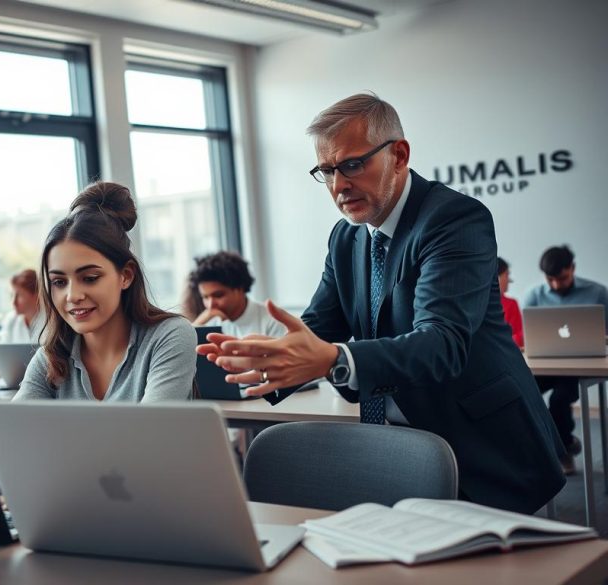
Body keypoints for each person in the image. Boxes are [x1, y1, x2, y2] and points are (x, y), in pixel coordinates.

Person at [197, 93, 563, 514]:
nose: (338, 185)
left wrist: (334, 359)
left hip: (483, 446)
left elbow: (441, 342)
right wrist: (262, 356)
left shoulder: (454, 219)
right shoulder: (346, 237)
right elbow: (319, 326)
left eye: (352, 165)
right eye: (327, 171)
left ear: (399, 155)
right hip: (401, 445)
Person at [14, 181, 196, 402]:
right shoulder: (51, 356)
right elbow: (14, 431)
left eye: (89, 278)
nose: (72, 296)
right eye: (59, 282)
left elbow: (149, 432)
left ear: (126, 275)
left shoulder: (170, 336)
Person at [523, 245, 608, 473]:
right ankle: (549, 448)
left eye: (562, 278)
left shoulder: (598, 293)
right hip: (545, 364)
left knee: (559, 400)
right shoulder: (534, 295)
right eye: (550, 279)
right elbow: (530, 335)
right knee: (520, 393)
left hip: (580, 365)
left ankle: (564, 449)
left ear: (573, 268)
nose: (556, 285)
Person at [189, 251, 286, 339]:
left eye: (218, 295)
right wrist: (198, 324)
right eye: (205, 297)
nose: (210, 305)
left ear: (240, 288)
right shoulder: (211, 322)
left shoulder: (273, 321)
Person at [0, 268, 46, 344]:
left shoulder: (50, 321)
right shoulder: (10, 320)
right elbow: (4, 350)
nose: (13, 302)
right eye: (12, 295)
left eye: (19, 295)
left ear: (36, 295)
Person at [497, 257, 524, 348]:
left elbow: (520, 337)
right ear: (496, 277)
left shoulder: (511, 304)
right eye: (507, 275)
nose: (509, 280)